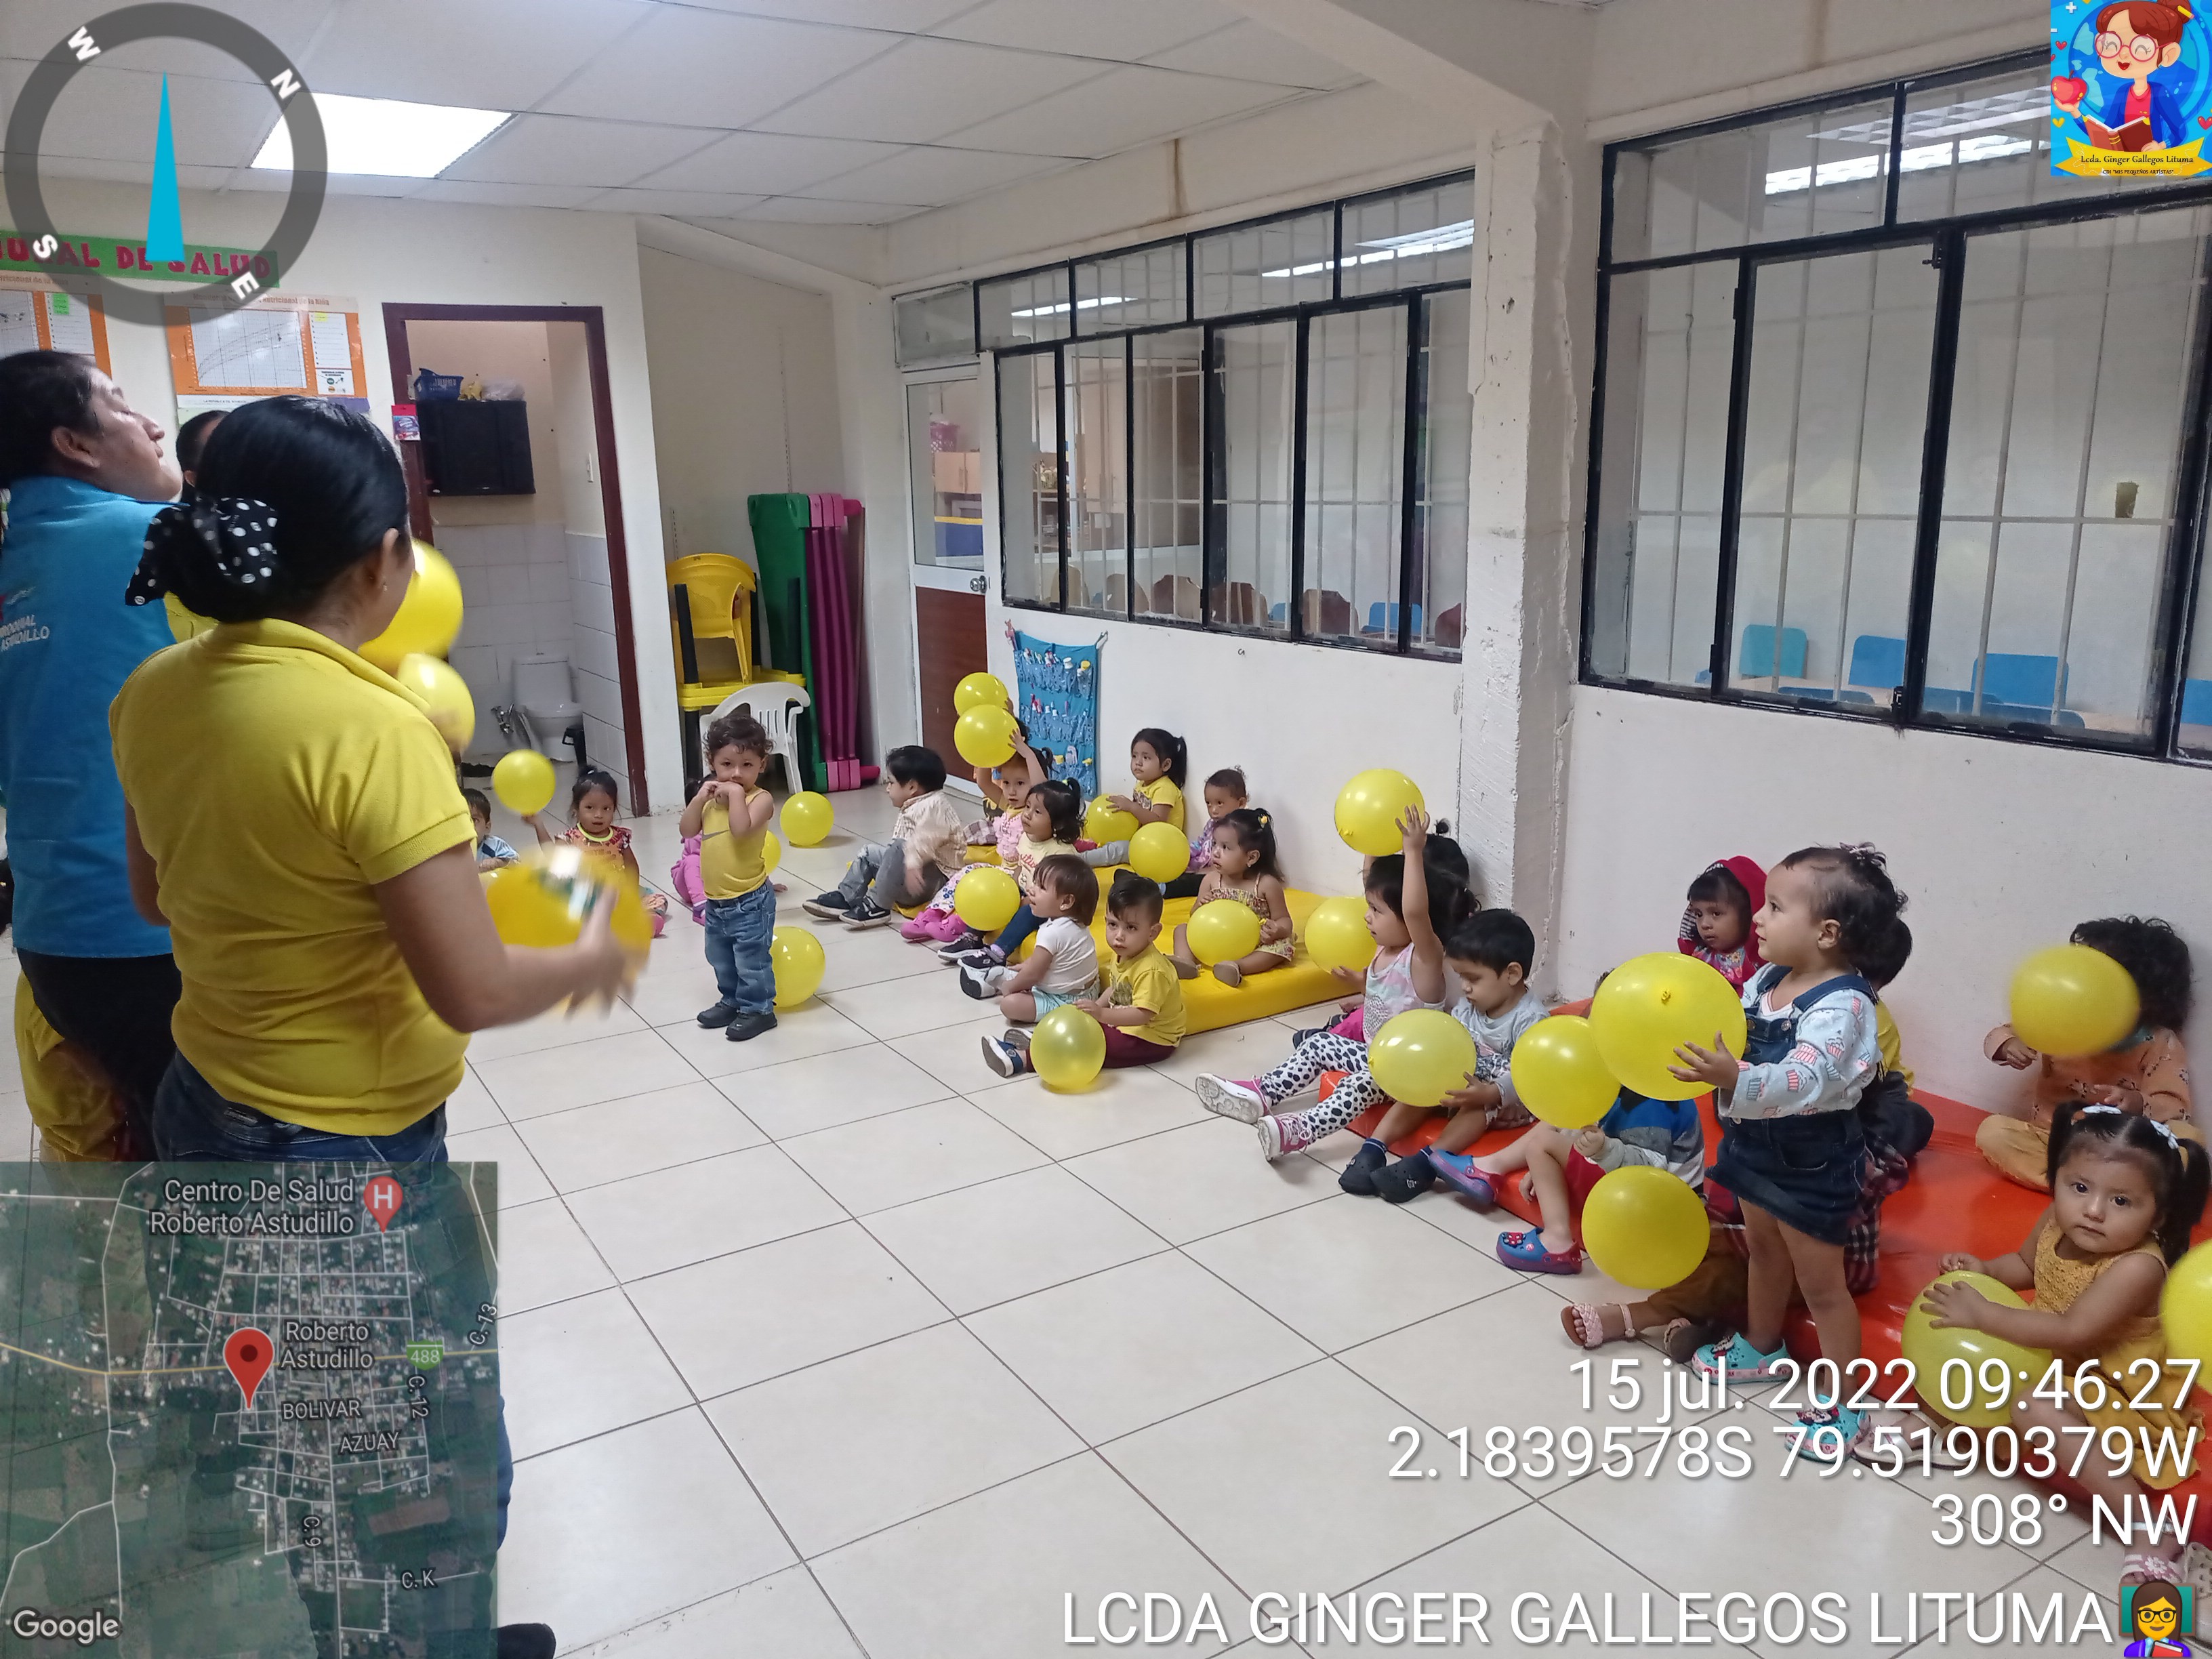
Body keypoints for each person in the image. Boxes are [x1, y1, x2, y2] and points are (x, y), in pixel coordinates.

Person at [111, 394, 629, 1659]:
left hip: (209, 1100)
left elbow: (154, 897)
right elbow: (472, 990)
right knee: (423, 1474)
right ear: (384, 560)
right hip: (341, 1153)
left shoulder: (155, 690)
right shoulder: (374, 728)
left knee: (319, 1440)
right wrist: (593, 952)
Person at [0, 352, 185, 1153]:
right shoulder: (156, 540)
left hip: (55, 945)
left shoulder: (14, 560)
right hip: (158, 935)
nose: (152, 426)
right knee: (223, 1169)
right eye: (120, 404)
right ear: (74, 443)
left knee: (151, 1139)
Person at [1922, 1103, 2209, 1597]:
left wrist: (1985, 1315)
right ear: (2056, 1181)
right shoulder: (2058, 1220)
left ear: (2158, 1216)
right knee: (1961, 1328)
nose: (2093, 1211)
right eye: (2079, 1188)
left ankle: (2147, 1527)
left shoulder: (2139, 1267)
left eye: (2122, 1201)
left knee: (2031, 1404)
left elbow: (2073, 1330)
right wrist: (1984, 1271)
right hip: (2057, 1363)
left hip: (2119, 1391)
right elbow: (2025, 1266)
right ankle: (1934, 1420)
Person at [1676, 844, 1907, 1456]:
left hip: (1812, 1161)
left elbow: (1807, 1078)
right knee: (1764, 1250)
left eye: (1775, 908)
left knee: (1822, 1284)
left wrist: (1734, 1076)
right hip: (1754, 1145)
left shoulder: (1845, 1005)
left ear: (1827, 933)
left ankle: (1846, 1403)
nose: (1757, 918)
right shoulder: (1768, 979)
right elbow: (1733, 1029)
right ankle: (1762, 1345)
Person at [1194, 809, 1467, 1161]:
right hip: (1376, 1054)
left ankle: (1299, 1130)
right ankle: (1262, 1093)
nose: (1367, 916)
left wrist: (1412, 851)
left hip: (1408, 1069)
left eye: (1377, 911)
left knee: (1358, 1085)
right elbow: (1393, 995)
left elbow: (1414, 912)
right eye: (1369, 907)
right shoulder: (1385, 948)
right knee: (1319, 1044)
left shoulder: (1424, 957)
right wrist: (1371, 840)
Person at [1979, 916, 2196, 1191]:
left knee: (2188, 1142)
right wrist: (2009, 1045)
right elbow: (1996, 1037)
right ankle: (2083, 1188)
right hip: (2055, 1141)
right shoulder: (2063, 1019)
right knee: (1993, 1133)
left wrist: (2136, 1102)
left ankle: (2099, 1187)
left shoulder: (2159, 1043)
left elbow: (2176, 1107)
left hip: (2122, 1152)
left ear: (2145, 998)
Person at [1355, 909, 1548, 1202]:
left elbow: (1529, 1075)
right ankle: (1373, 1148)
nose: (1465, 987)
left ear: (1512, 974)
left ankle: (1426, 1163)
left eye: (1473, 979)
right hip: (1466, 1078)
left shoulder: (1530, 1019)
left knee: (1478, 1108)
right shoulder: (1471, 1005)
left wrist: (1491, 1093)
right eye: (1462, 977)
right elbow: (1450, 1038)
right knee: (1422, 1088)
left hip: (1508, 1098)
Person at [983, 872, 1185, 1077]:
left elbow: (1142, 1014)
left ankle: (1021, 1059)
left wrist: (1102, 1014)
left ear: (1153, 932)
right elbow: (1117, 988)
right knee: (1079, 1022)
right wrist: (1096, 1007)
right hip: (1125, 1026)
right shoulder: (1125, 953)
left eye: (1131, 928)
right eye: (1113, 924)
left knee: (1086, 1044)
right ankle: (1042, 1039)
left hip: (1151, 1040)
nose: (1119, 936)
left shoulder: (1152, 970)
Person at [680, 711, 777, 1040]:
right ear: (712, 763)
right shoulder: (710, 802)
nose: (736, 773)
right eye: (727, 765)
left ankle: (759, 1009)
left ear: (762, 765)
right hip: (717, 900)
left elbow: (740, 830)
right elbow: (687, 830)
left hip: (750, 900)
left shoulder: (760, 799)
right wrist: (699, 799)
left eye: (747, 765)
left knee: (751, 959)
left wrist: (736, 795)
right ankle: (733, 1000)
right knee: (720, 957)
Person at [806, 744, 964, 928]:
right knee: (869, 852)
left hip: (932, 883)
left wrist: (913, 863)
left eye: (891, 782)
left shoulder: (936, 806)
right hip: (915, 875)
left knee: (899, 847)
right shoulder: (916, 803)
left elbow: (927, 838)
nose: (888, 789)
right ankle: (847, 896)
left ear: (912, 787)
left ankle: (878, 906)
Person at [939, 779, 1080, 966]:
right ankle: (972, 938)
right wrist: (1009, 889)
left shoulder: (1060, 853)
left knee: (1029, 911)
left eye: (1037, 812)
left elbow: (1055, 893)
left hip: (1050, 903)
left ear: (1058, 824)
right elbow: (1021, 866)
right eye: (1028, 806)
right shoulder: (1027, 838)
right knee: (991, 892)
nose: (1027, 814)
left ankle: (998, 953)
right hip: (1026, 891)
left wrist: (1026, 901)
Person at [905, 756, 1035, 945]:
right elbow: (983, 782)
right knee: (967, 872)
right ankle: (933, 913)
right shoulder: (1007, 804)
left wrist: (1027, 754)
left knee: (986, 893)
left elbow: (1041, 786)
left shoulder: (1033, 813)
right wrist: (984, 753)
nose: (1011, 791)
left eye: (1020, 783)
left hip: (1021, 878)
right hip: (1004, 870)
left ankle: (959, 923)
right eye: (1006, 783)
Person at [961, 853, 1099, 1022]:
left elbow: (1034, 975)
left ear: (1066, 902)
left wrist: (1010, 988)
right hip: (1089, 992)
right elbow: (1048, 960)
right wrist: (1023, 967)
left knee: (1009, 1005)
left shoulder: (1051, 932)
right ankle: (1010, 977)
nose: (1031, 890)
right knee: (1024, 973)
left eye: (1041, 887)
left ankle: (1001, 985)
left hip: (1065, 1002)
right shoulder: (1078, 924)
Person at [1168, 807, 1292, 987]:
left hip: (1253, 944)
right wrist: (1200, 906)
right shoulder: (1211, 880)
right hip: (1213, 939)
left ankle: (1236, 967)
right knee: (1181, 929)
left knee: (1281, 947)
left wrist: (1277, 930)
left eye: (1225, 847)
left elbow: (1284, 920)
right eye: (1214, 844)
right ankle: (1186, 963)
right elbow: (1194, 915)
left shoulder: (1266, 885)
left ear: (1251, 857)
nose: (1215, 852)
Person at [1681, 856, 1765, 989]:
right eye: (1698, 914)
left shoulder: (1760, 962)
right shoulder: (1698, 956)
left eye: (1716, 913)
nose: (1704, 924)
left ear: (1747, 914)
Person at [1170, 766, 1248, 900]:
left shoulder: (1242, 829)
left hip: (1221, 874)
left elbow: (1239, 860)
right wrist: (1185, 854)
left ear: (1241, 803)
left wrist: (1215, 869)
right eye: (1209, 803)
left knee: (1193, 883)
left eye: (1219, 803)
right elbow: (1200, 843)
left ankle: (1165, 889)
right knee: (1176, 871)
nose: (1213, 810)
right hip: (1200, 867)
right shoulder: (1212, 824)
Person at [1106, 727, 1188, 836]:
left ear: (1166, 765)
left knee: (1117, 846)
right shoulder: (1141, 785)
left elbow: (1158, 822)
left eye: (1146, 757)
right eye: (1134, 756)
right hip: (1145, 838)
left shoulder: (1164, 788)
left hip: (1162, 841)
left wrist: (1131, 807)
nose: (1138, 762)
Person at [465, 788, 519, 871]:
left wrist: (497, 862)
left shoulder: (494, 845)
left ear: (487, 827)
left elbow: (517, 863)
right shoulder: (449, 850)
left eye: (474, 820)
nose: (466, 826)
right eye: (461, 820)